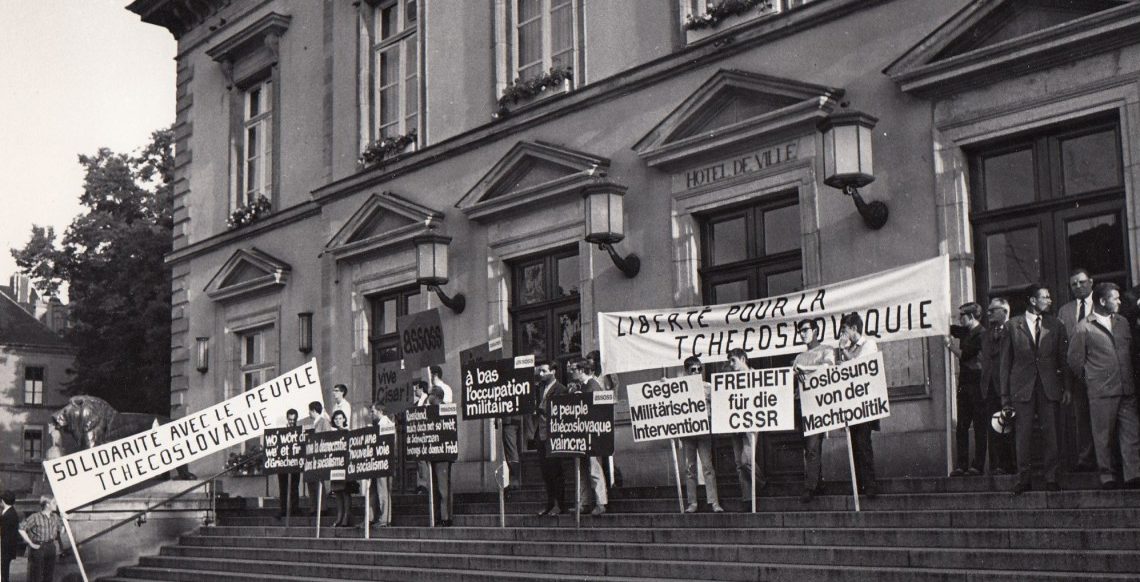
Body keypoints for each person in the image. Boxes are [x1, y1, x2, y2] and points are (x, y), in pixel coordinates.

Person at [1067, 282, 1140, 489]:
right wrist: (1092, 378)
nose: (1119, 302)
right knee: (1103, 436)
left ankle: (1133, 475)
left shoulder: (1123, 323)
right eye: (1114, 298)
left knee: (1131, 434)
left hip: (1127, 388)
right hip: (1102, 392)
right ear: (1102, 301)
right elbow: (1074, 361)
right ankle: (1107, 476)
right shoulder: (1083, 328)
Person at [1000, 284, 1071, 494]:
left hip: (1049, 387)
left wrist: (1066, 387)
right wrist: (1005, 397)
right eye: (1045, 297)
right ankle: (1024, 478)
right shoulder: (1013, 326)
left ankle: (1052, 477)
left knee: (1051, 433)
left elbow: (1063, 360)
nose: (1049, 300)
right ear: (1032, 300)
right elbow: (1005, 364)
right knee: (1023, 434)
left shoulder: (1056, 325)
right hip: (1022, 388)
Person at [1058, 268, 1098, 471]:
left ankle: (1106, 459)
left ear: (1090, 282)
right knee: (1081, 417)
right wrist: (1067, 383)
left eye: (1081, 282)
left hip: (1101, 372)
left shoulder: (1101, 305)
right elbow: (1064, 348)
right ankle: (1085, 459)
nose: (1078, 287)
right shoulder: (1065, 311)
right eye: (1074, 284)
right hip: (1078, 375)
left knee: (1104, 417)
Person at [792, 319, 836, 503]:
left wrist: (806, 369)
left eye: (805, 330)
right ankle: (818, 482)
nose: (802, 334)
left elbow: (827, 368)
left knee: (812, 445)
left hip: (818, 404)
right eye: (800, 331)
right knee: (808, 446)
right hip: (800, 403)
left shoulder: (826, 350)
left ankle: (810, 487)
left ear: (815, 331)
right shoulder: (799, 357)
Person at [837, 313, 880, 498]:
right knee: (854, 444)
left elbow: (858, 366)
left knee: (863, 443)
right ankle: (860, 484)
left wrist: (843, 351)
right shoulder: (849, 347)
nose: (843, 334)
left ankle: (870, 485)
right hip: (851, 403)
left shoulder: (868, 344)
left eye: (844, 329)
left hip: (865, 403)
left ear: (854, 328)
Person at [948, 302, 987, 476]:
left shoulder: (981, 334)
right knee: (962, 426)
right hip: (964, 384)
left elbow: (965, 355)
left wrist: (950, 346)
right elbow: (951, 329)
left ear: (971, 317)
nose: (959, 319)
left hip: (977, 384)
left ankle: (977, 465)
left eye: (962, 316)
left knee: (979, 426)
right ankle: (961, 465)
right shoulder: (966, 330)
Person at [680, 356, 723, 513]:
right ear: (686, 371)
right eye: (693, 370)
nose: (697, 372)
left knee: (707, 466)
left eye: (700, 369)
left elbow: (720, 402)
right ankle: (692, 503)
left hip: (704, 431)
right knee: (689, 468)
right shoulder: (679, 388)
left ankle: (714, 502)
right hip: (687, 433)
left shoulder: (708, 387)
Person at [981, 298, 1016, 475]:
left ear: (1004, 310)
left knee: (1011, 427)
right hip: (991, 388)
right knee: (995, 427)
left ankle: (1013, 464)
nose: (989, 314)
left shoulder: (1015, 329)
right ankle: (999, 464)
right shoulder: (987, 334)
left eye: (992, 311)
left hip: (1009, 387)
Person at [569, 357, 608, 515]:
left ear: (581, 370)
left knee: (594, 469)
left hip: (592, 435)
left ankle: (601, 502)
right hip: (581, 435)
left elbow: (599, 411)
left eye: (573, 370)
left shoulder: (593, 386)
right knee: (581, 469)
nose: (571, 372)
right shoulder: (582, 387)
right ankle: (584, 502)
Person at [532, 360, 570, 516]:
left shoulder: (561, 389)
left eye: (544, 371)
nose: (541, 374)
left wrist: (541, 409)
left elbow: (561, 411)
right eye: (539, 371)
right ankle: (549, 503)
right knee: (546, 472)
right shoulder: (539, 388)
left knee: (556, 471)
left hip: (553, 435)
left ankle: (559, 504)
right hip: (541, 435)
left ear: (553, 371)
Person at [726, 348, 763, 505]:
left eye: (733, 360)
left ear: (743, 358)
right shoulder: (728, 380)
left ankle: (761, 483)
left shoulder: (756, 376)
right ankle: (747, 498)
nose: (730, 364)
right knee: (738, 463)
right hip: (734, 424)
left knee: (745, 460)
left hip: (750, 423)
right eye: (729, 361)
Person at [427, 382, 454, 526]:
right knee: (436, 487)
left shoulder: (445, 409)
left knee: (443, 488)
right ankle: (439, 515)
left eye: (430, 394)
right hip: (434, 454)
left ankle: (445, 517)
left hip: (442, 454)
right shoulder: (430, 410)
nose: (428, 397)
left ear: (436, 396)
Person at [18, 495, 62, 582]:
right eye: (54, 503)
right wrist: (31, 543)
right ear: (47, 505)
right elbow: (21, 528)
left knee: (49, 575)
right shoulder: (35, 517)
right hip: (39, 547)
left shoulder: (55, 517)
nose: (56, 505)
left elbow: (62, 531)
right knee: (36, 575)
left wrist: (65, 519)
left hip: (51, 547)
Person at [369, 402, 396, 526]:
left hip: (383, 462)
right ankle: (373, 517)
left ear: (380, 411)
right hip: (376, 462)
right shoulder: (378, 424)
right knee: (374, 490)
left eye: (373, 411)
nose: (371, 414)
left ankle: (385, 518)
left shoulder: (386, 424)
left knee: (382, 490)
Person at [305, 401, 332, 516]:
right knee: (311, 482)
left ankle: (322, 507)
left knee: (318, 482)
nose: (309, 413)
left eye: (309, 410)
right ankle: (313, 507)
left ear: (313, 411)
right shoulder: (314, 424)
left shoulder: (323, 422)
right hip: (311, 458)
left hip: (319, 458)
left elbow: (327, 438)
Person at [328, 410, 353, 527]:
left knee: (345, 491)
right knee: (337, 491)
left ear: (344, 419)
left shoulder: (348, 432)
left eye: (340, 418)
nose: (338, 421)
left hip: (345, 465)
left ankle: (346, 517)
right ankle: (339, 516)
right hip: (335, 465)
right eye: (336, 419)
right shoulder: (331, 434)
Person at [276, 408, 301, 518]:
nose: (291, 422)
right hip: (283, 464)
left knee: (294, 487)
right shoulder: (281, 432)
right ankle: (283, 510)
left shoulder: (299, 431)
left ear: (296, 419)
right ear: (287, 418)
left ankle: (294, 509)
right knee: (283, 487)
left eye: (293, 420)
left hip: (295, 463)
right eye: (290, 419)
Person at [413, 380, 431, 495]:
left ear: (422, 389)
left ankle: (425, 485)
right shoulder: (416, 403)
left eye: (417, 388)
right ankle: (421, 485)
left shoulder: (428, 400)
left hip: (426, 435)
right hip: (417, 436)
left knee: (424, 461)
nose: (415, 390)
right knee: (420, 461)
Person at [1, 491, 21, 582]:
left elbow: (3, 531)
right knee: (4, 570)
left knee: (4, 571)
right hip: (7, 546)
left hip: (5, 547)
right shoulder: (10, 511)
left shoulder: (9, 514)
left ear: (2, 501)